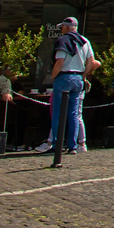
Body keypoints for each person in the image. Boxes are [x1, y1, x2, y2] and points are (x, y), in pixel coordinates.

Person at [39, 17, 97, 155]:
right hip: (78, 78)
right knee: (73, 113)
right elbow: (92, 62)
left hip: (65, 76)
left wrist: (53, 76)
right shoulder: (85, 41)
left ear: (65, 27)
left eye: (61, 27)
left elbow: (59, 61)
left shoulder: (63, 40)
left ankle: (56, 144)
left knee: (58, 112)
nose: (61, 29)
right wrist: (83, 75)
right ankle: (73, 146)